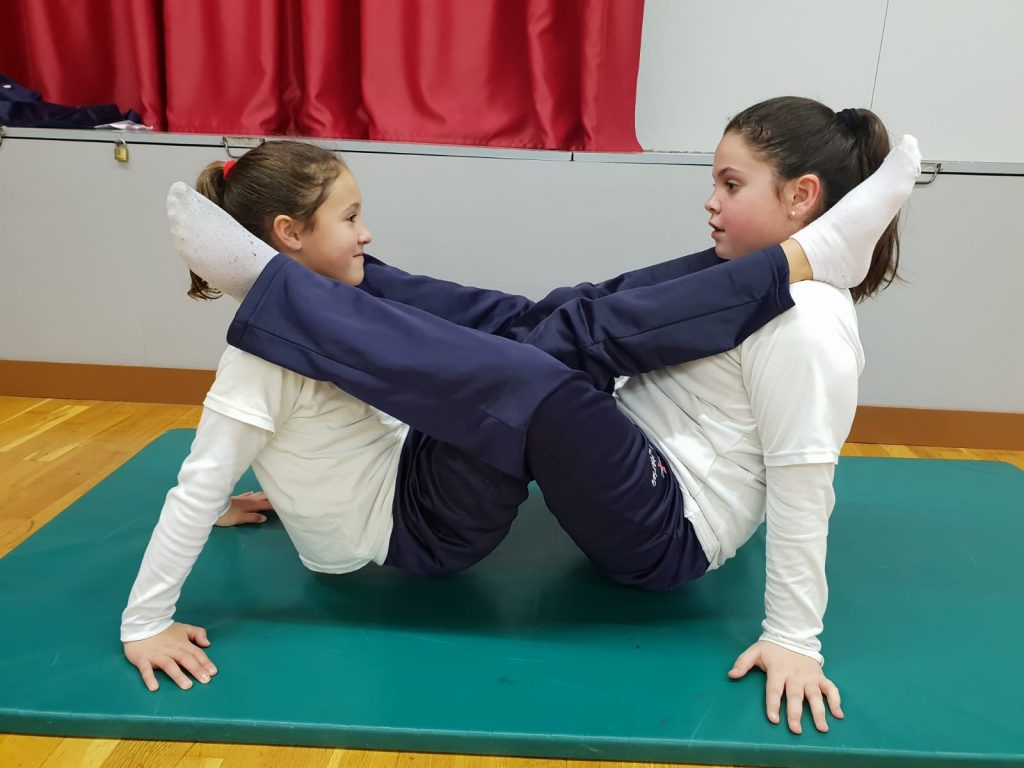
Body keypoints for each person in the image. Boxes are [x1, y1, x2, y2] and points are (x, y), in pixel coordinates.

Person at [124, 101, 920, 737]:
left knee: (546, 371)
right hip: (625, 473)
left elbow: (805, 482)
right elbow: (292, 430)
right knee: (560, 316)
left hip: (666, 528)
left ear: (801, 196)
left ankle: (280, 291)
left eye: (731, 184)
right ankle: (294, 291)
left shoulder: (810, 329)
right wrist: (276, 486)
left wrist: (794, 638)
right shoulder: (739, 283)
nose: (711, 201)